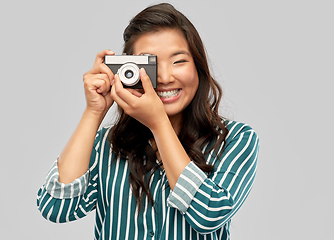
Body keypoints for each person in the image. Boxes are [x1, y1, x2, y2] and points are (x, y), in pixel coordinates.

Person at [37, 3, 259, 239]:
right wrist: (94, 112)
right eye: (149, 64)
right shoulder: (106, 145)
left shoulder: (235, 139)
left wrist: (159, 124)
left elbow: (209, 215)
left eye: (179, 61)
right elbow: (56, 208)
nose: (164, 77)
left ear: (198, 67)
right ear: (126, 71)